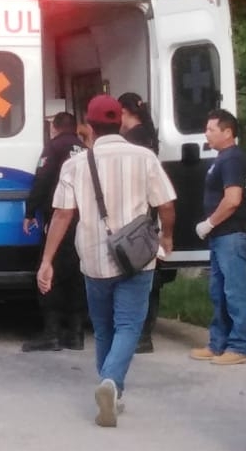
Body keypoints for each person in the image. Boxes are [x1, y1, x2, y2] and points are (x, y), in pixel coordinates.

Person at [37, 95, 176, 428]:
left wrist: (47, 260)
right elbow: (167, 204)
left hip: (95, 258)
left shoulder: (75, 164)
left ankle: (112, 388)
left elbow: (62, 215)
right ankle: (111, 383)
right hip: (138, 257)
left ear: (89, 125)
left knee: (103, 328)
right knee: (129, 325)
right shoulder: (144, 157)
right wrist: (167, 236)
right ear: (121, 122)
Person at [190, 110, 246, 364]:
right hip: (221, 236)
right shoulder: (222, 158)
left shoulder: (232, 159)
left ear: (227, 132)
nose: (206, 134)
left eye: (211, 129)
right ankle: (218, 343)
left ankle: (239, 347)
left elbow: (233, 200)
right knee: (218, 291)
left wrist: (208, 223)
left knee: (235, 291)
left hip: (231, 234)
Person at [21, 112, 86, 352]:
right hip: (83, 222)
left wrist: (29, 212)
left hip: (60, 220)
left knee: (49, 272)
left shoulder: (54, 147)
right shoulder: (85, 149)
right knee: (77, 277)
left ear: (55, 128)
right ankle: (76, 334)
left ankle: (51, 333)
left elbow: (43, 179)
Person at [118, 91, 166, 354]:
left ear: (125, 112)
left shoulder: (132, 141)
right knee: (147, 270)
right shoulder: (149, 136)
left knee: (135, 273)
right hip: (148, 214)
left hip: (134, 214)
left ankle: (141, 334)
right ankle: (144, 333)